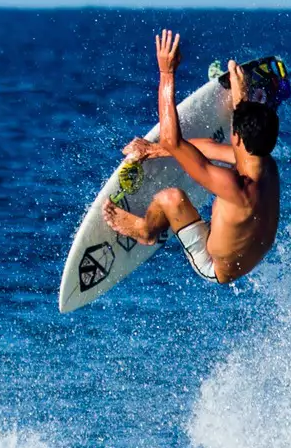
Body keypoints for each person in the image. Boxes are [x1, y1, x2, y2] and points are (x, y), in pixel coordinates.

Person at [101, 29, 280, 285]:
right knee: (205, 148)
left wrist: (166, 73)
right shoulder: (266, 164)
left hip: (216, 265)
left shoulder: (234, 186)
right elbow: (209, 147)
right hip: (245, 251)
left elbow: (172, 141)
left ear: (238, 138)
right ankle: (155, 154)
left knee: (170, 198)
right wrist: (155, 151)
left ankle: (145, 230)